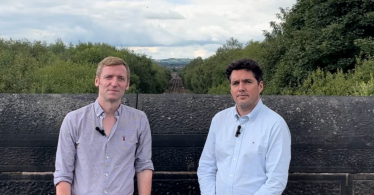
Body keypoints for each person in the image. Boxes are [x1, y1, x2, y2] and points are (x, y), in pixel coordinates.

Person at [54, 56, 154, 195]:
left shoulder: (139, 120)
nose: (114, 83)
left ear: (127, 84)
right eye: (108, 77)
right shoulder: (73, 121)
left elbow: (143, 166)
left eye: (120, 78)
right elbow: (63, 174)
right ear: (97, 81)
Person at [197, 58, 291, 195]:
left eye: (247, 82)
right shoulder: (219, 120)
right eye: (235, 83)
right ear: (231, 89)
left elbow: (276, 180)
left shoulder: (275, 125)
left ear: (260, 86)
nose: (241, 88)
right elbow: (206, 166)